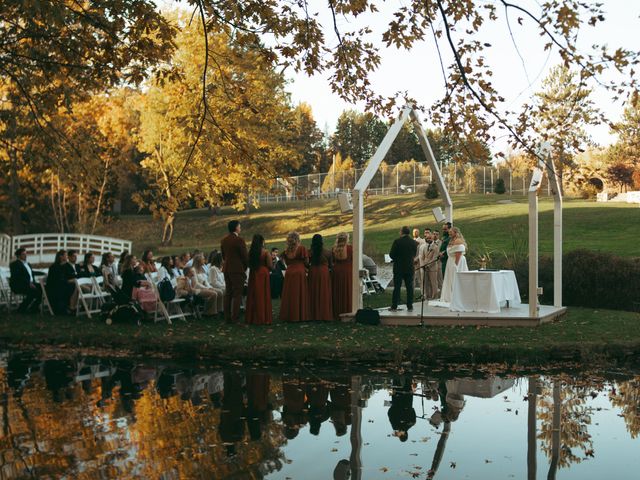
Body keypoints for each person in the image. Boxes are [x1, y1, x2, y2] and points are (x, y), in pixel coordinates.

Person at [220, 220, 249, 323]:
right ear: (236, 228)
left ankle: (227, 317)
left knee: (228, 293)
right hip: (237, 269)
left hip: (226, 269)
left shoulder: (224, 240)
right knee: (237, 293)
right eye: (239, 226)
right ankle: (235, 317)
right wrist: (244, 267)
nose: (240, 228)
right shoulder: (239, 240)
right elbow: (245, 256)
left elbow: (223, 255)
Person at [433, 226, 469, 305]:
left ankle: (456, 297)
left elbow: (458, 254)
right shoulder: (451, 240)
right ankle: (449, 296)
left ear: (455, 233)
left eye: (451, 232)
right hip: (450, 261)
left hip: (457, 262)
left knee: (454, 278)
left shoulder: (458, 241)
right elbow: (450, 251)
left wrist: (455, 266)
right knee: (449, 278)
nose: (449, 233)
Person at [280, 231, 310, 322]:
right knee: (299, 293)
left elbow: (287, 263)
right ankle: (299, 314)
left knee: (290, 293)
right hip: (299, 272)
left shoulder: (286, 251)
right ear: (297, 239)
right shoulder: (301, 248)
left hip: (289, 272)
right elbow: (306, 262)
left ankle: (289, 314)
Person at [389, 226, 418, 312]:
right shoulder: (413, 242)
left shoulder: (397, 241)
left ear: (402, 232)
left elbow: (392, 254)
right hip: (409, 267)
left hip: (399, 267)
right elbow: (414, 254)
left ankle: (394, 306)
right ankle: (410, 306)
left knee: (397, 287)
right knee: (409, 287)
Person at [246, 234, 273, 325]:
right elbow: (270, 265)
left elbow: (248, 263)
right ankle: (263, 317)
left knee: (253, 294)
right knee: (263, 294)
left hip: (253, 273)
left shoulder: (251, 252)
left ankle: (252, 317)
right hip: (263, 273)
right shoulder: (265, 252)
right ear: (262, 242)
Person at [308, 234, 333, 321]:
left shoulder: (310, 252)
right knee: (323, 292)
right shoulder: (327, 252)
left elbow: (307, 263)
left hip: (313, 272)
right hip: (324, 273)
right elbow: (331, 265)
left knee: (313, 291)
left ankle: (313, 314)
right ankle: (324, 314)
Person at [9, 248, 42, 313]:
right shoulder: (14, 264)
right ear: (18, 256)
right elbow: (18, 276)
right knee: (35, 292)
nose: (26, 256)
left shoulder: (28, 264)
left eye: (26, 254)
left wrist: (43, 273)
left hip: (30, 283)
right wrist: (28, 283)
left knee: (44, 289)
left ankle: (33, 308)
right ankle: (22, 309)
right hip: (19, 285)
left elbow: (32, 272)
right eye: (23, 254)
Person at [387, 375, 416, 442]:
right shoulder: (395, 426)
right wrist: (393, 406)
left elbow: (413, 410)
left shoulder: (412, 423)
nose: (398, 434)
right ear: (404, 434)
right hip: (398, 400)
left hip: (407, 400)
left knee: (406, 382)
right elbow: (390, 413)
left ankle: (406, 371)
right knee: (397, 383)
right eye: (399, 435)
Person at [46, 250, 75, 314]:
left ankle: (72, 307)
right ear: (61, 256)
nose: (67, 257)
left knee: (75, 286)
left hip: (66, 285)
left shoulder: (68, 265)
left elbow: (73, 275)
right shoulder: (54, 267)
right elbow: (55, 280)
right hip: (55, 287)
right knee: (72, 286)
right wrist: (69, 281)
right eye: (65, 255)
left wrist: (72, 279)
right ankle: (69, 307)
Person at [331, 232, 352, 319]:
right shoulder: (350, 248)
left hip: (336, 271)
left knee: (337, 290)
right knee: (347, 289)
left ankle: (337, 311)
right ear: (346, 239)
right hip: (347, 271)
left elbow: (332, 261)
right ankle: (347, 310)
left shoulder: (334, 249)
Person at [419, 230, 440, 300]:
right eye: (427, 239)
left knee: (434, 283)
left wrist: (428, 265)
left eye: (430, 238)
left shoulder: (436, 247)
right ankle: (425, 296)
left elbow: (435, 258)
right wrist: (423, 265)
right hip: (423, 267)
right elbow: (421, 257)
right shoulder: (422, 247)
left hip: (432, 267)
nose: (429, 240)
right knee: (424, 282)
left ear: (432, 239)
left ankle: (435, 296)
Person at [412, 228, 425, 294]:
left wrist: (416, 259)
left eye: (416, 232)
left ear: (419, 233)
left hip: (418, 262)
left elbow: (421, 252)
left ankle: (422, 293)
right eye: (414, 232)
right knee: (412, 279)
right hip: (411, 262)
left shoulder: (422, 241)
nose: (415, 233)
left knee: (420, 279)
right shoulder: (410, 241)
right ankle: (412, 293)